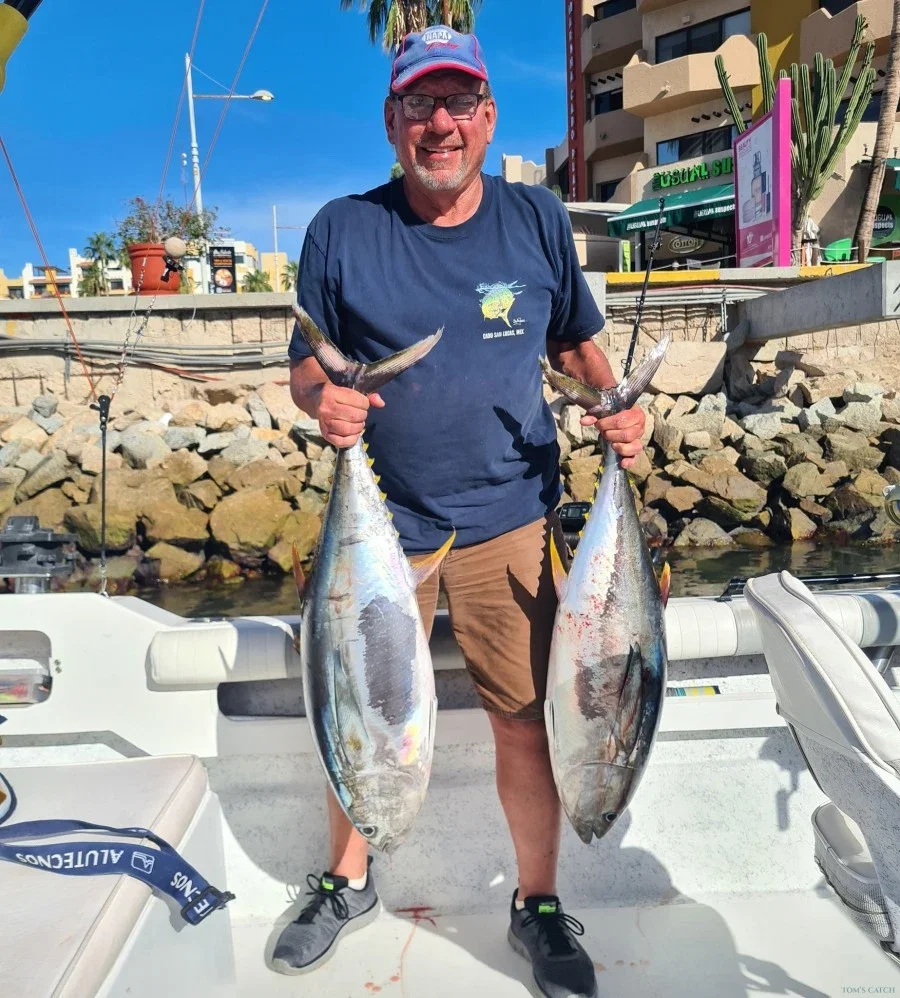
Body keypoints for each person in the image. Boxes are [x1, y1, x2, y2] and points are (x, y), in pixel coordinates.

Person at [273, 24, 647, 998]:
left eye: (457, 103)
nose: (439, 123)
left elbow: (574, 344)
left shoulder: (534, 219)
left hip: (509, 518)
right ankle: (346, 882)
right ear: (391, 118)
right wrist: (326, 401)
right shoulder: (341, 230)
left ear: (487, 116)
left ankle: (538, 901)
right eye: (419, 104)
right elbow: (305, 366)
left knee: (524, 721)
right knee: (357, 709)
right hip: (382, 525)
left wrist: (618, 403)